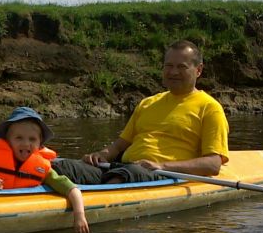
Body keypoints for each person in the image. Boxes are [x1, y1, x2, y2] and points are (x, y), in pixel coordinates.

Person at [54, 40, 229, 184]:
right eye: (169, 66)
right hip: (122, 168)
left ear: (198, 70)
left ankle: (90, 208)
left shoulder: (210, 108)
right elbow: (118, 146)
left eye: (181, 67)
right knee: (63, 167)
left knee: (126, 174)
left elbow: (213, 164)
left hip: (162, 175)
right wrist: (101, 155)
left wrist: (162, 166)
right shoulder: (148, 103)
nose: (173, 72)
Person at [0, 106, 90, 233]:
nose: (26, 144)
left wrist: (79, 216)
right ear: (7, 141)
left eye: (32, 139)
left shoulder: (42, 170)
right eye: (19, 138)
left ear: (39, 145)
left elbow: (73, 190)